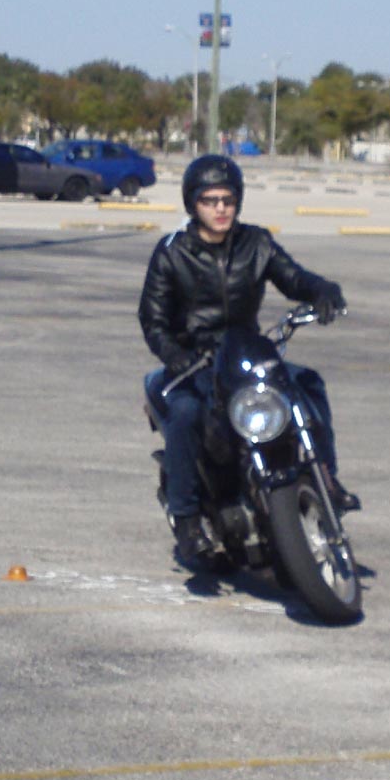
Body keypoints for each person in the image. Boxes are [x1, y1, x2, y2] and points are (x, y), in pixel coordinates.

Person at [139, 154, 360, 566]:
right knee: (186, 414)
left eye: (227, 199)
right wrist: (177, 355)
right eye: (210, 200)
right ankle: (188, 520)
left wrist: (322, 291)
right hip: (196, 362)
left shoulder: (256, 243)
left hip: (245, 353)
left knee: (307, 384)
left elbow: (293, 277)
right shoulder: (172, 252)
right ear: (193, 204)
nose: (220, 208)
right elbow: (153, 321)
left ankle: (326, 478)